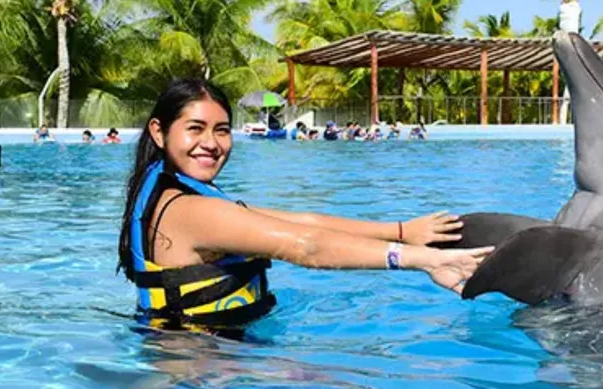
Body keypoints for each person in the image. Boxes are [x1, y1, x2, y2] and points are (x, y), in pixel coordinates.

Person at [116, 78, 492, 334]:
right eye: (194, 128)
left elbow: (302, 222)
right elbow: (305, 246)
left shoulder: (173, 194)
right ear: (158, 132)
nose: (211, 143)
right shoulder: (189, 211)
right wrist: (423, 260)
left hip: (201, 354)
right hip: (199, 371)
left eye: (222, 130)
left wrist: (402, 231)